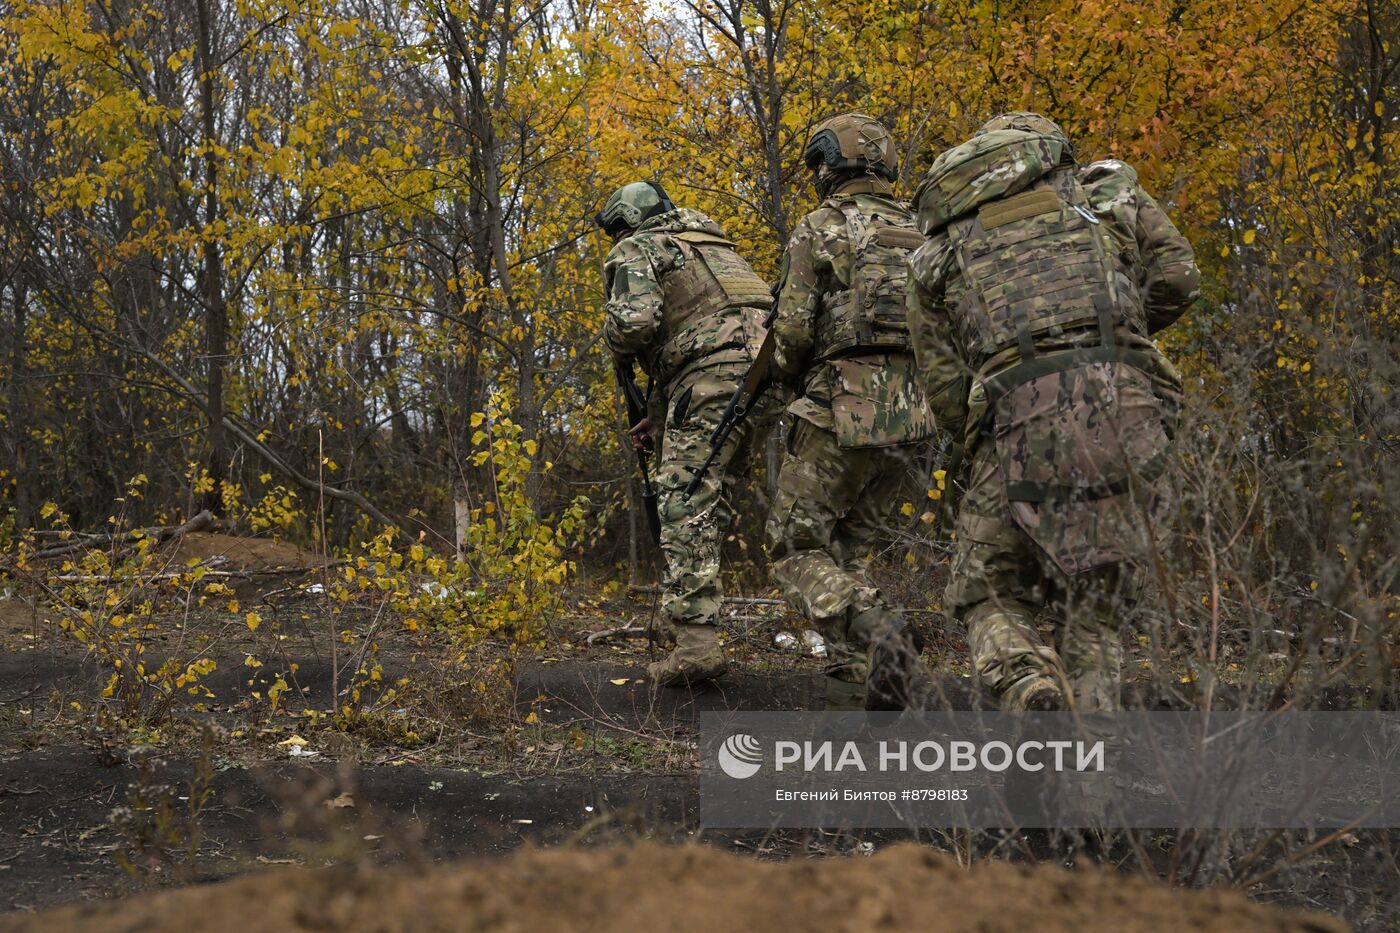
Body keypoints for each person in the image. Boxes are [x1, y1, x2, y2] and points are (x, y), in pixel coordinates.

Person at [906, 112, 1200, 711]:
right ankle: (1089, 795)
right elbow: (1178, 278)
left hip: (1018, 410)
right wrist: (1117, 331)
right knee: (1094, 617)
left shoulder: (937, 252)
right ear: (1049, 153)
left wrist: (979, 444)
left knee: (985, 590)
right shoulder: (1105, 193)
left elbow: (940, 378)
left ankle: (1024, 682)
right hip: (1128, 406)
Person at [764, 113, 938, 710]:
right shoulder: (925, 228)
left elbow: (789, 334)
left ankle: (875, 631)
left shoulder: (822, 226)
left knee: (795, 548)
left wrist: (784, 377)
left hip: (841, 401)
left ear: (827, 166)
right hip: (913, 413)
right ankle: (851, 682)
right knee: (849, 551)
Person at [597, 181, 774, 686]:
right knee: (710, 503)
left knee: (683, 501)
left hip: (712, 380)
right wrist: (658, 410)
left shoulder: (638, 247)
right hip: (764, 379)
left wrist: (609, 331)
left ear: (625, 222)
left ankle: (696, 649)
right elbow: (711, 327)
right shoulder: (714, 246)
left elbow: (634, 326)